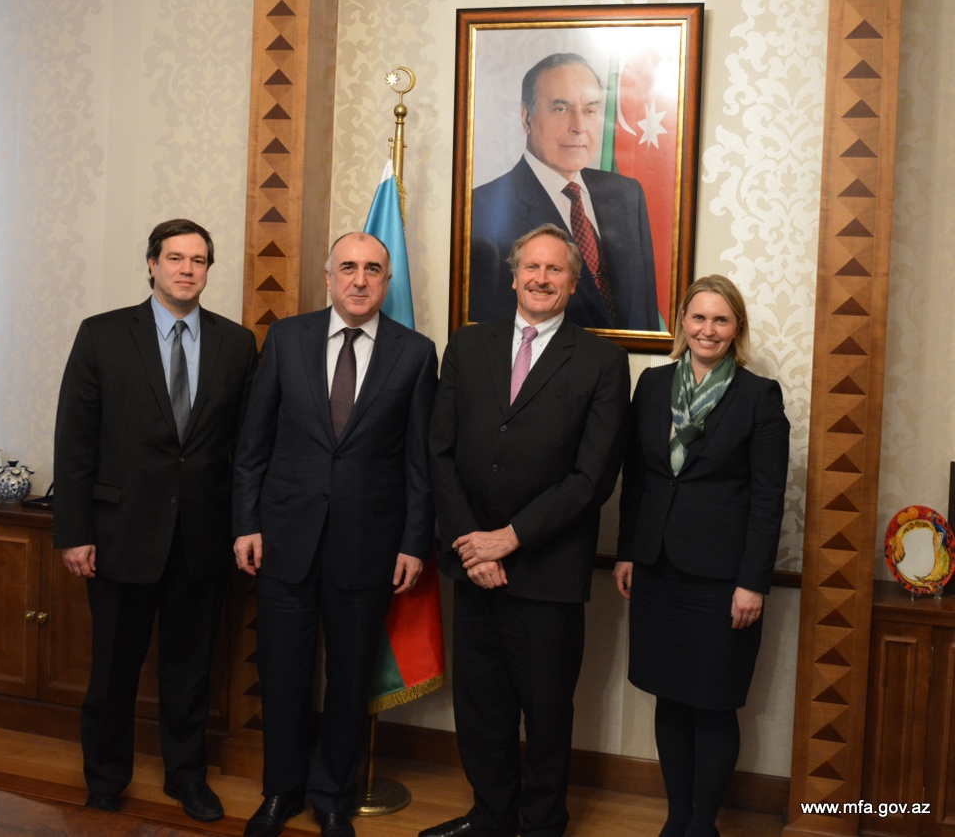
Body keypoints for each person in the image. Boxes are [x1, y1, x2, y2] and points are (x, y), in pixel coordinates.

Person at [424, 224, 630, 837]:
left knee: (545, 715)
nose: (541, 279)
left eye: (555, 269)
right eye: (531, 268)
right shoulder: (468, 345)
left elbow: (592, 477)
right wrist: (474, 546)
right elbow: (440, 452)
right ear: (513, 276)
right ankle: (490, 818)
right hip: (474, 566)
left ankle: (542, 825)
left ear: (574, 282)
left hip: (547, 570)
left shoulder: (602, 360)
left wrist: (509, 538)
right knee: (481, 707)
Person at [232, 232, 438, 837]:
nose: (359, 279)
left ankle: (331, 799)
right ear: (328, 277)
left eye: (372, 269)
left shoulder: (416, 353)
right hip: (284, 541)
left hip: (368, 547)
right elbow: (253, 445)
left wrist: (414, 541)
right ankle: (281, 792)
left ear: (387, 282)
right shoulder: (287, 339)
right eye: (347, 267)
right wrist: (246, 523)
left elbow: (420, 462)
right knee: (283, 674)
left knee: (349, 681)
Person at [54, 218, 258, 822]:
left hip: (202, 538)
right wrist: (74, 532)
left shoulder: (236, 344)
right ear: (151, 264)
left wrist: (245, 524)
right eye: (175, 258)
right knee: (113, 672)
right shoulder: (102, 335)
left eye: (198, 260)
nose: (186, 269)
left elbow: (245, 448)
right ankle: (104, 780)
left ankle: (186, 778)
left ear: (208, 270)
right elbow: (75, 442)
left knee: (190, 673)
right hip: (120, 536)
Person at [614, 275, 790, 837]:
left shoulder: (758, 396)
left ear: (736, 328)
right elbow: (638, 477)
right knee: (669, 698)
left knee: (714, 703)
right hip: (658, 567)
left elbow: (768, 498)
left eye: (720, 319)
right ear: (682, 323)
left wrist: (752, 582)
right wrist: (627, 552)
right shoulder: (653, 384)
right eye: (698, 317)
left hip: (722, 579)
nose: (707, 329)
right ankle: (677, 820)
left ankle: (702, 826)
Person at [469, 52, 658, 331]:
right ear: (526, 117)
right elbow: (488, 333)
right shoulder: (482, 208)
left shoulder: (627, 194)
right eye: (560, 109)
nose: (579, 127)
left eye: (590, 110)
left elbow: (645, 312)